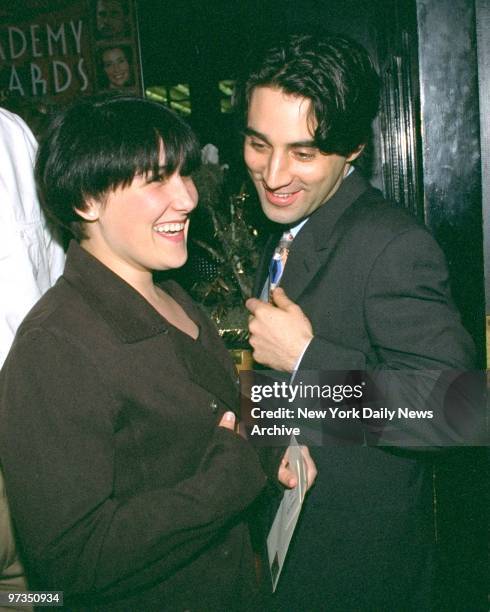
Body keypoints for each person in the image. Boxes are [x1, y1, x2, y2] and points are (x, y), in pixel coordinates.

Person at [0, 95, 268, 610]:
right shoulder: (55, 348)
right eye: (157, 180)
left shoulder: (169, 291)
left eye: (184, 174)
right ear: (86, 200)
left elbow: (213, 412)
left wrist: (280, 438)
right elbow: (71, 561)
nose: (188, 198)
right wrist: (228, 480)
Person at [239, 33, 476, 611]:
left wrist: (304, 358)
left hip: (360, 570)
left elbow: (454, 413)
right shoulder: (295, 221)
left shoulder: (390, 243)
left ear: (351, 151)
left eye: (303, 152)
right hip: (297, 544)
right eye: (257, 143)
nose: (272, 175)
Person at [0, 108, 64, 607]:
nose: (186, 197)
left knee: (37, 597)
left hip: (29, 437)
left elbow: (361, 408)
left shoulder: (11, 134)